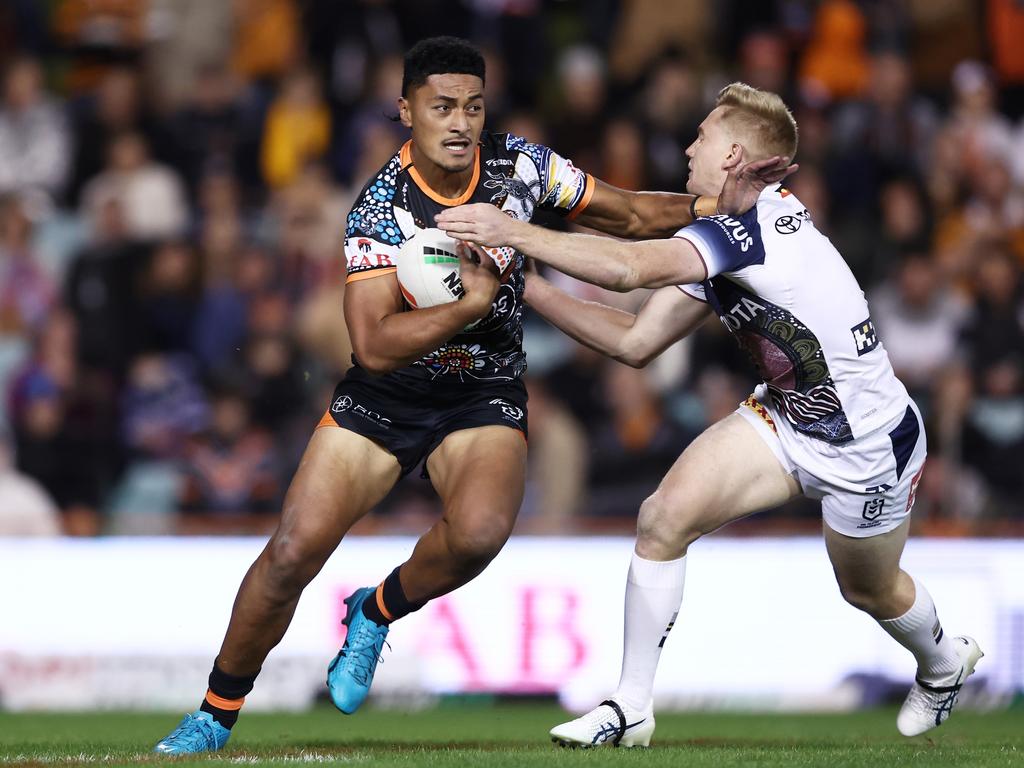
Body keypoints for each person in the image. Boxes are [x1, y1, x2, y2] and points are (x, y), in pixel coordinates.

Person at [153, 38, 791, 755]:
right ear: (406, 111)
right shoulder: (379, 209)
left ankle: (375, 609)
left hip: (482, 389)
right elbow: (371, 344)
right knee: (293, 552)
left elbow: (631, 217)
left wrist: (722, 204)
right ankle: (215, 712)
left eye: (473, 106)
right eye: (441, 106)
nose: (459, 122)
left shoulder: (522, 167)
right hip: (388, 392)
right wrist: (469, 305)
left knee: (482, 533)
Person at [436, 81, 983, 747]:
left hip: (868, 445)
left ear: (732, 155)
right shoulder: (720, 237)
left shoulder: (753, 233)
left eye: (703, 134)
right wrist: (519, 283)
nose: (689, 146)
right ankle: (631, 707)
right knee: (662, 518)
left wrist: (514, 233)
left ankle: (943, 663)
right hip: (787, 419)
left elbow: (627, 269)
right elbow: (635, 343)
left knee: (867, 590)